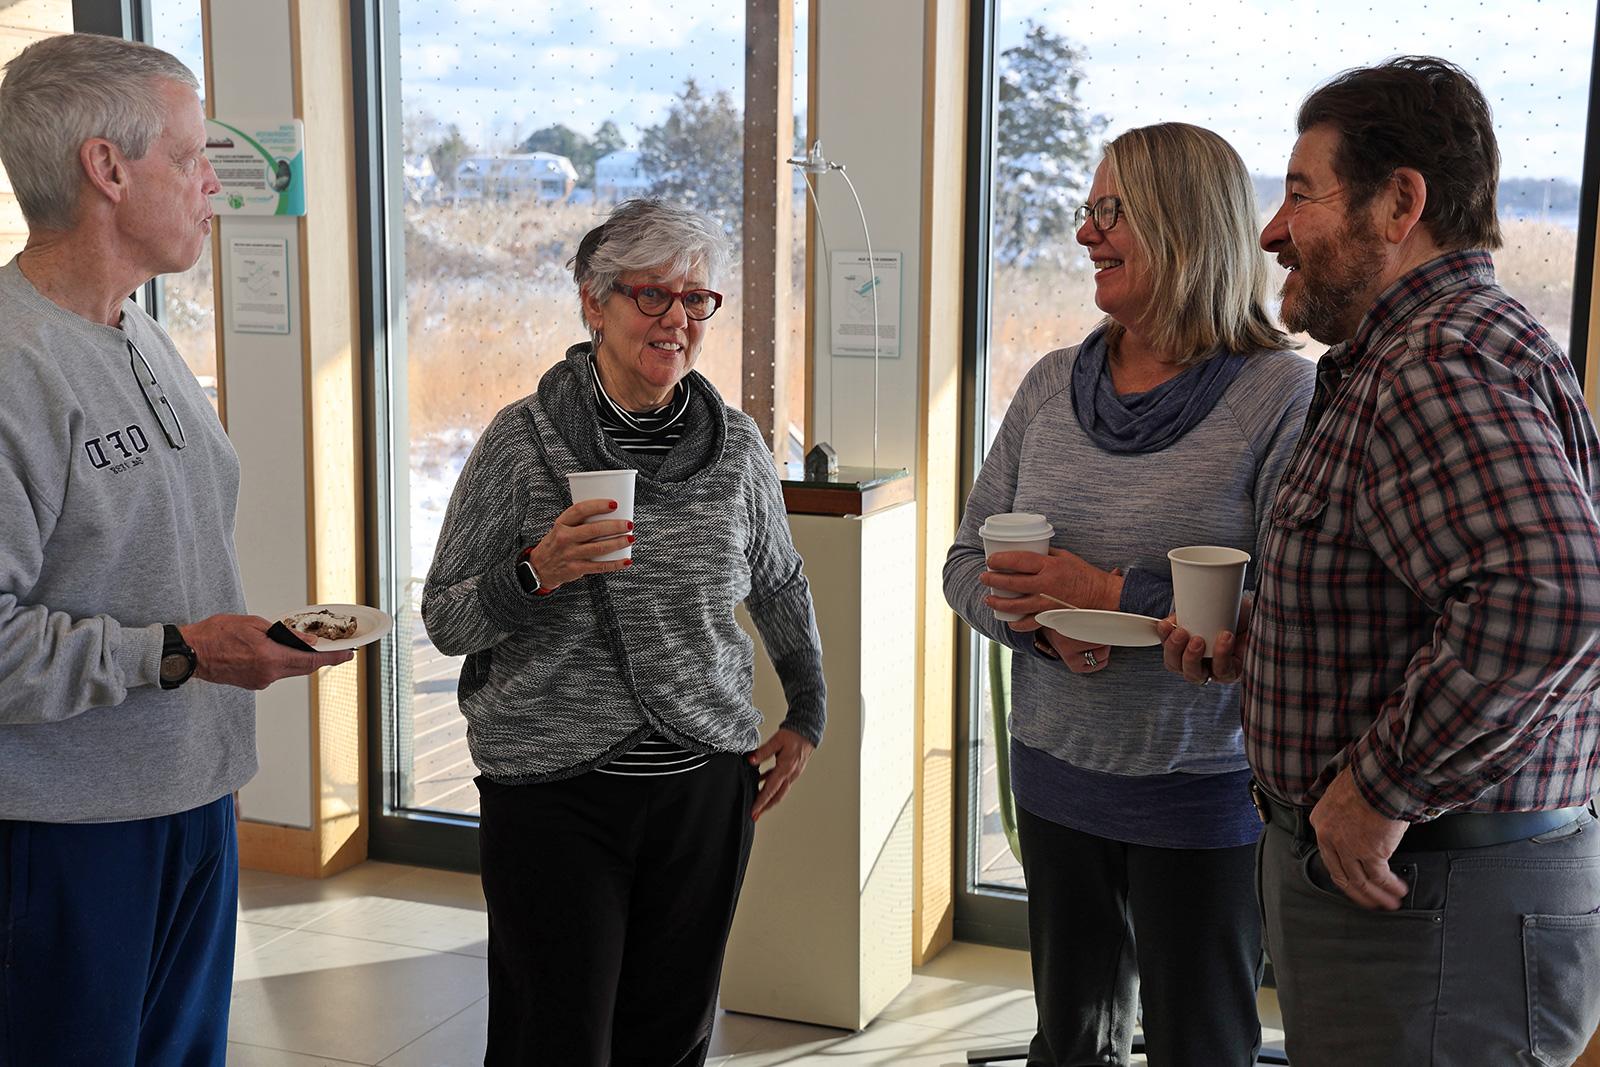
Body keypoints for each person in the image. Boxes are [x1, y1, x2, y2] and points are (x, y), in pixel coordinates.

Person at [1159, 57, 1600, 1065]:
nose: (1272, 231)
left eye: (1301, 194)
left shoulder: (1433, 358)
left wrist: (1377, 790)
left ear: (1399, 201)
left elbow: (1551, 592)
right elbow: (1429, 591)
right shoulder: (1439, 347)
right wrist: (1264, 647)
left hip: (1436, 904)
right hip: (1433, 898)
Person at [0, 33, 352, 1065]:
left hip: (189, 800)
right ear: (105, 169)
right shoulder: (13, 369)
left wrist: (207, 709)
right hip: (63, 838)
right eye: (192, 155)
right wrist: (183, 650)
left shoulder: (139, 329)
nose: (213, 183)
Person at [422, 197, 826, 1066]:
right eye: (652, 295)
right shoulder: (521, 445)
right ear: (592, 301)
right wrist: (538, 571)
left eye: (695, 299)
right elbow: (445, 615)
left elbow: (780, 582)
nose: (677, 318)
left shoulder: (739, 447)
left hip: (703, 789)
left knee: (673, 1036)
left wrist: (807, 710)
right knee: (554, 1041)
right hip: (552, 796)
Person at [945, 123, 1314, 1066]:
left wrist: (1105, 589)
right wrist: (1040, 630)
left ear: (1183, 225)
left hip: (1206, 796)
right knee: (1072, 1044)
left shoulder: (1280, 396)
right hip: (1058, 781)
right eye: (1089, 210)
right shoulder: (1046, 387)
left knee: (1202, 1044)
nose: (1085, 235)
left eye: (1109, 213)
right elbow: (961, 563)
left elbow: (1292, 610)